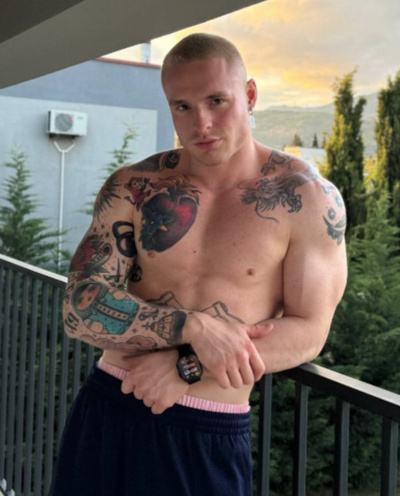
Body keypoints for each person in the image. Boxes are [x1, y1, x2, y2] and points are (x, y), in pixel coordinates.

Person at [49, 33, 347, 496]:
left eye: (216, 101)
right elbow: (78, 307)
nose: (201, 123)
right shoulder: (134, 186)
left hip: (206, 430)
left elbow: (310, 329)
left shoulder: (305, 197)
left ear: (249, 95)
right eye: (182, 106)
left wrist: (185, 366)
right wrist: (192, 328)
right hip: (109, 405)